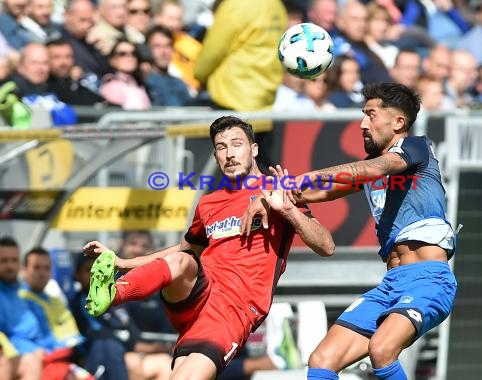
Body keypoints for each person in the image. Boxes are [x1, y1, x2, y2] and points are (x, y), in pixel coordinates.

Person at [82, 115, 335, 379]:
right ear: (215, 156)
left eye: (237, 144)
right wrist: (123, 262)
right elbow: (183, 249)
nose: (229, 154)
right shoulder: (209, 203)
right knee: (183, 260)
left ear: (255, 149)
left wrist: (288, 210)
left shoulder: (278, 192)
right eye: (222, 147)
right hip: (199, 296)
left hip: (234, 310)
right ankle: (112, 294)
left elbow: (326, 246)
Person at [241, 82, 458, 380]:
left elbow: (371, 170)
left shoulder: (415, 148)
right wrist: (271, 196)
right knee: (322, 359)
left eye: (370, 115)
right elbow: (321, 192)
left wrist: (306, 176)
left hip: (429, 281)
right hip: (391, 284)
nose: (362, 124)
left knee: (382, 350)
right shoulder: (373, 166)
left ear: (398, 122)